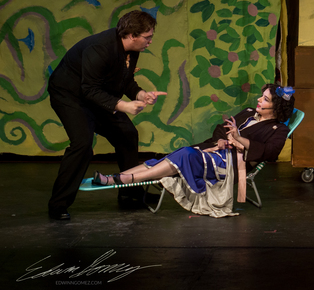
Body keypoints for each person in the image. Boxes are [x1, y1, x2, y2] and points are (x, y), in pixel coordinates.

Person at [92, 84, 295, 218]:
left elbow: (270, 152)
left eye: (265, 99)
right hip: (214, 151)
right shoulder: (249, 113)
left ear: (276, 108)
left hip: (228, 165)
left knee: (185, 155)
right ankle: (115, 178)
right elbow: (221, 128)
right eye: (262, 96)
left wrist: (239, 138)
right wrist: (222, 139)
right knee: (175, 156)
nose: (259, 99)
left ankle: (120, 179)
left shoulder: (279, 130)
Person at [47, 10, 167, 220]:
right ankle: (58, 204)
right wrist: (124, 106)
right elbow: (89, 89)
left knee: (127, 134)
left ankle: (130, 192)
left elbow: (125, 80)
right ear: (132, 35)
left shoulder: (131, 48)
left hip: (97, 95)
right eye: (147, 37)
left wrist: (141, 94)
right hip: (70, 96)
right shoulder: (100, 48)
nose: (150, 41)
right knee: (82, 144)